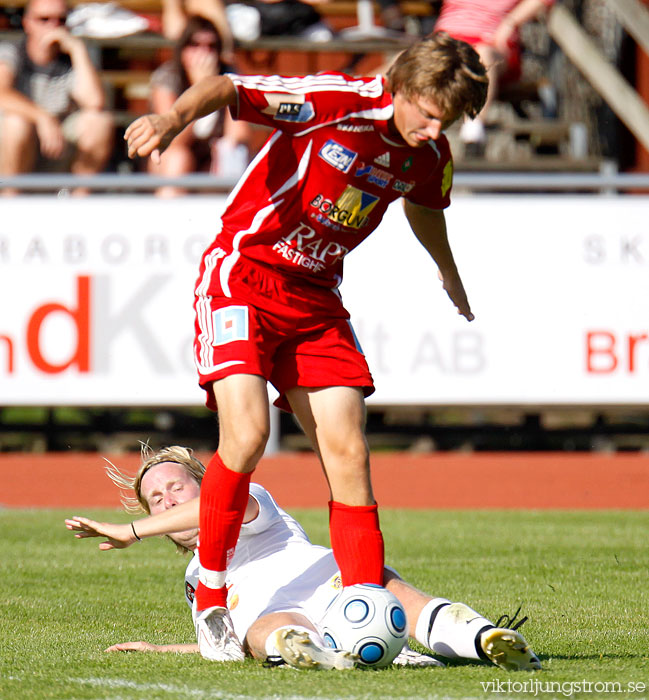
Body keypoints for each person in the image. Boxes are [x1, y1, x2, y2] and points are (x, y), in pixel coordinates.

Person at [123, 33, 489, 663]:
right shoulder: (336, 101)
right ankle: (211, 599)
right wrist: (172, 117)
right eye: (428, 112)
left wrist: (448, 271)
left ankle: (365, 604)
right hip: (241, 276)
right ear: (401, 87)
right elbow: (230, 88)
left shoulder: (430, 155)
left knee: (349, 450)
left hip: (315, 298)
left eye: (448, 121)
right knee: (246, 435)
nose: (435, 128)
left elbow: (427, 207)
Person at [65, 445, 541, 671]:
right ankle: (329, 656)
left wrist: (130, 530)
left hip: (336, 583)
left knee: (393, 590)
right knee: (266, 631)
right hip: (280, 614)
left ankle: (486, 637)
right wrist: (159, 650)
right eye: (155, 498)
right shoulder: (195, 579)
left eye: (176, 487)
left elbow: (218, 507)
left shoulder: (249, 498)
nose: (168, 501)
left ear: (202, 482)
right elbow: (226, 646)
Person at [0, 0, 114, 195]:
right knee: (16, 124)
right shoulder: (10, 52)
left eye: (61, 20)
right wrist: (42, 117)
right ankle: (10, 202)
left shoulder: (73, 57)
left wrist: (78, 51)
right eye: (44, 19)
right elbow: (2, 94)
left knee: (99, 122)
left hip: (57, 147)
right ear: (27, 22)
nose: (53, 26)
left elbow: (95, 102)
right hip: (18, 151)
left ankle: (79, 204)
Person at [434, 0, 555, 155]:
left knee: (483, 57)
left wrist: (510, 22)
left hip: (492, 44)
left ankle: (474, 127)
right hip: (447, 43)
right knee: (408, 59)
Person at [148, 15, 250, 197]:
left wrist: (218, 91)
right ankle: (168, 217)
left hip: (212, 153)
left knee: (233, 152)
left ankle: (230, 219)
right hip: (170, 156)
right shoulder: (168, 78)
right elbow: (171, 139)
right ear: (183, 49)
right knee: (178, 158)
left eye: (211, 47)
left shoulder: (229, 77)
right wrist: (199, 93)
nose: (204, 53)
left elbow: (239, 134)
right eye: (195, 45)